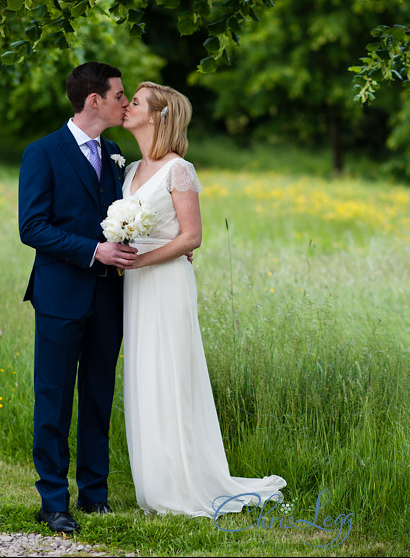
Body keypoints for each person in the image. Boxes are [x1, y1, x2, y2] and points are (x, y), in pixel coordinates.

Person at [119, 81, 286, 516]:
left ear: (157, 116)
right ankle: (154, 480)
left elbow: (193, 236)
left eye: (134, 102)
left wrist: (142, 260)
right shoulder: (131, 168)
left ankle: (183, 482)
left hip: (165, 282)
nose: (126, 106)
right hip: (136, 286)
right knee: (144, 374)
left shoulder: (180, 169)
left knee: (170, 374)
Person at [18, 62, 139, 533]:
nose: (124, 102)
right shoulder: (42, 152)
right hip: (59, 295)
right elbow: (32, 227)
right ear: (94, 100)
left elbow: (128, 220)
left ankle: (94, 495)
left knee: (97, 397)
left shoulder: (115, 156)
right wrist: (93, 251)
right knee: (53, 398)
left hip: (109, 298)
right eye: (119, 95)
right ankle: (53, 500)